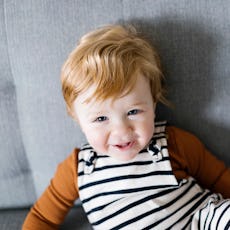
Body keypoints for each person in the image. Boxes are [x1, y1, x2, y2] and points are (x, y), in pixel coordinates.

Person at [23, 24, 230, 229]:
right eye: (101, 119)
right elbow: (42, 217)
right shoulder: (78, 169)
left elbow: (220, 178)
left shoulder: (172, 142)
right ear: (77, 119)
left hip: (202, 221)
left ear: (153, 103)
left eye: (133, 112)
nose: (122, 131)